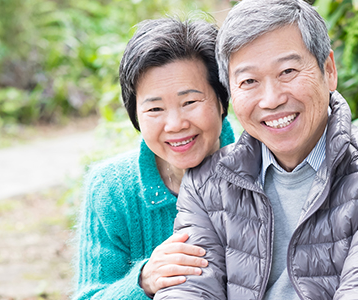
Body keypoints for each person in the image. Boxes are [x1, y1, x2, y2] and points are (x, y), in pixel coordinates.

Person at [155, 0, 358, 299]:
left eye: (287, 71)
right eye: (249, 81)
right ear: (231, 92)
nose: (271, 99)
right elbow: (189, 291)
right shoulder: (206, 184)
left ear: (329, 70)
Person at [73, 17, 236, 299]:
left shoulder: (264, 168)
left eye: (190, 102)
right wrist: (143, 281)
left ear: (222, 100)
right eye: (155, 109)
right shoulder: (112, 189)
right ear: (135, 114)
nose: (175, 124)